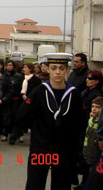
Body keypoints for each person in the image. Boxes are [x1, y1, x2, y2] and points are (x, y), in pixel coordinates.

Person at [17, 53, 86, 190]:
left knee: (61, 184)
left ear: (67, 70)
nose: (58, 72)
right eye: (54, 68)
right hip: (41, 148)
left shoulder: (74, 94)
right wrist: (37, 130)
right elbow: (21, 115)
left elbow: (80, 122)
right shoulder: (39, 91)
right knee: (35, 183)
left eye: (62, 68)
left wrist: (75, 147)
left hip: (64, 149)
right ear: (47, 69)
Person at [80, 97, 103, 189]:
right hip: (90, 151)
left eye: (97, 107)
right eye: (93, 106)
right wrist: (85, 150)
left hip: (97, 153)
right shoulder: (91, 120)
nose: (94, 109)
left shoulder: (98, 123)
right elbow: (87, 137)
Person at [2, 60, 24, 142]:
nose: (9, 66)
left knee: (15, 117)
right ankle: (5, 133)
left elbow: (21, 88)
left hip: (16, 99)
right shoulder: (3, 75)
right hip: (6, 100)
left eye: (11, 65)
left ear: (14, 66)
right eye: (7, 65)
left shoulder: (19, 76)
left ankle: (18, 134)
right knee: (6, 117)